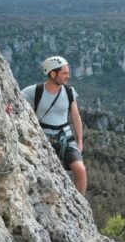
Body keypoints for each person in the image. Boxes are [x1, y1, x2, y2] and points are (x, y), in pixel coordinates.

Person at [21, 56, 87, 195]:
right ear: (52, 74)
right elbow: (15, 100)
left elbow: (76, 117)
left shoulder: (69, 92)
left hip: (65, 138)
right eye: (64, 73)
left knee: (80, 171)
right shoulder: (35, 91)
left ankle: (81, 207)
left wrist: (80, 141)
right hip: (43, 138)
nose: (68, 76)